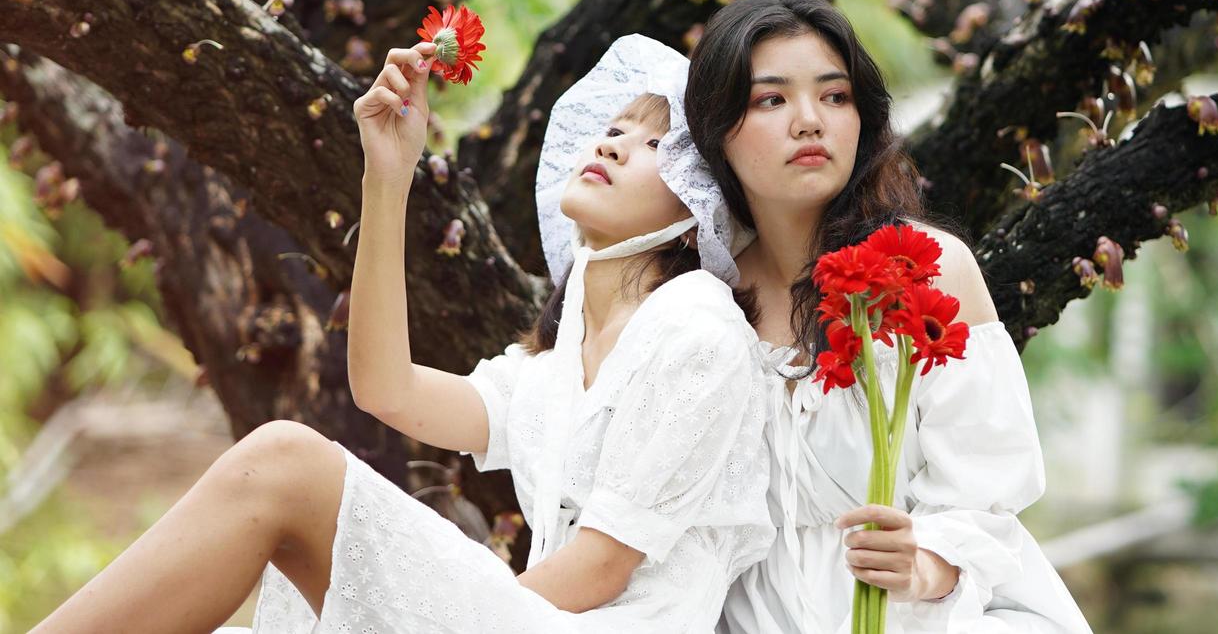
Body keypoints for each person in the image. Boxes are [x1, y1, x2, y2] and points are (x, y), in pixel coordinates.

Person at [34, 34, 771, 634]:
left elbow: (602, 569)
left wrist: (434, 605)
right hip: (540, 616)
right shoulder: (560, 359)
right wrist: (387, 179)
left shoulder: (697, 327)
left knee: (284, 462)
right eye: (613, 128)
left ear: (699, 207)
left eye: (652, 145)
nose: (611, 146)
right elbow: (386, 388)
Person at [685, 0, 1093, 633]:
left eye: (834, 95)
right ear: (716, 130)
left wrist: (926, 563)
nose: (810, 120)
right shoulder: (697, 301)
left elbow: (988, 489)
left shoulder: (926, 268)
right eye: (771, 99)